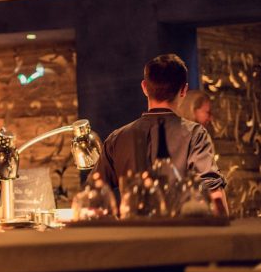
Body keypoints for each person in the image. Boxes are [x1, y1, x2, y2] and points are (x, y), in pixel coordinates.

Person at [90, 54, 228, 215]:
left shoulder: (117, 138)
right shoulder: (195, 134)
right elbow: (213, 193)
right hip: (181, 236)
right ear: (184, 90)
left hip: (131, 235)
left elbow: (93, 194)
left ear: (144, 87)